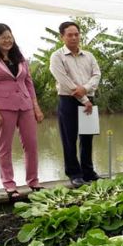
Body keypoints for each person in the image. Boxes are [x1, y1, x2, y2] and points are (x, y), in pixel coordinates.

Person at [0, 23, 44, 201]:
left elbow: (28, 82)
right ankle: (9, 184)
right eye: (2, 37)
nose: (7, 40)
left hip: (26, 105)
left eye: (9, 36)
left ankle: (33, 181)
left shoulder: (19, 56)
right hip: (3, 107)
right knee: (4, 147)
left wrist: (36, 107)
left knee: (31, 144)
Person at [50, 21, 101, 188]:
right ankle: (74, 173)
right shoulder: (57, 56)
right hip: (68, 100)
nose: (73, 37)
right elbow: (64, 81)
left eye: (76, 34)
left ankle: (88, 171)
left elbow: (96, 75)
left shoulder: (89, 56)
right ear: (62, 37)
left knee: (87, 138)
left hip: (88, 100)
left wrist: (85, 89)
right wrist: (84, 99)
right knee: (69, 138)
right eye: (69, 35)